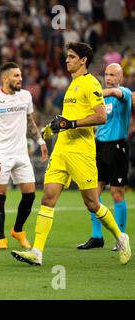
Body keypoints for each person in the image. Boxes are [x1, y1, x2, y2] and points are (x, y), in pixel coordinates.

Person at [11, 42, 131, 266]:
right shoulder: (72, 85)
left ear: (83, 60)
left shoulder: (91, 84)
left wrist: (72, 123)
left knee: (92, 203)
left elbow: (100, 117)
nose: (67, 60)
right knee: (48, 197)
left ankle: (121, 236)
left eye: (71, 57)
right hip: (62, 150)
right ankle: (37, 252)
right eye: (67, 56)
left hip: (81, 152)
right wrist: (53, 127)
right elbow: (67, 120)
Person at [0, 62, 48, 250]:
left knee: (30, 194)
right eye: (16, 76)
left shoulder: (26, 96)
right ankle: (1, 238)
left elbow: (30, 121)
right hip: (1, 152)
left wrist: (41, 142)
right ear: (5, 79)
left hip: (21, 153)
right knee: (0, 193)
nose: (20, 79)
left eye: (20, 75)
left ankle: (18, 230)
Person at [77, 63, 133, 250]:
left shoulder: (123, 93)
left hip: (117, 148)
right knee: (94, 193)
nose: (108, 78)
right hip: (99, 147)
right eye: (106, 74)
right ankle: (96, 236)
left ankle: (120, 236)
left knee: (117, 193)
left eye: (112, 75)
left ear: (120, 78)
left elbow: (116, 93)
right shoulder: (100, 100)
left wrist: (93, 93)